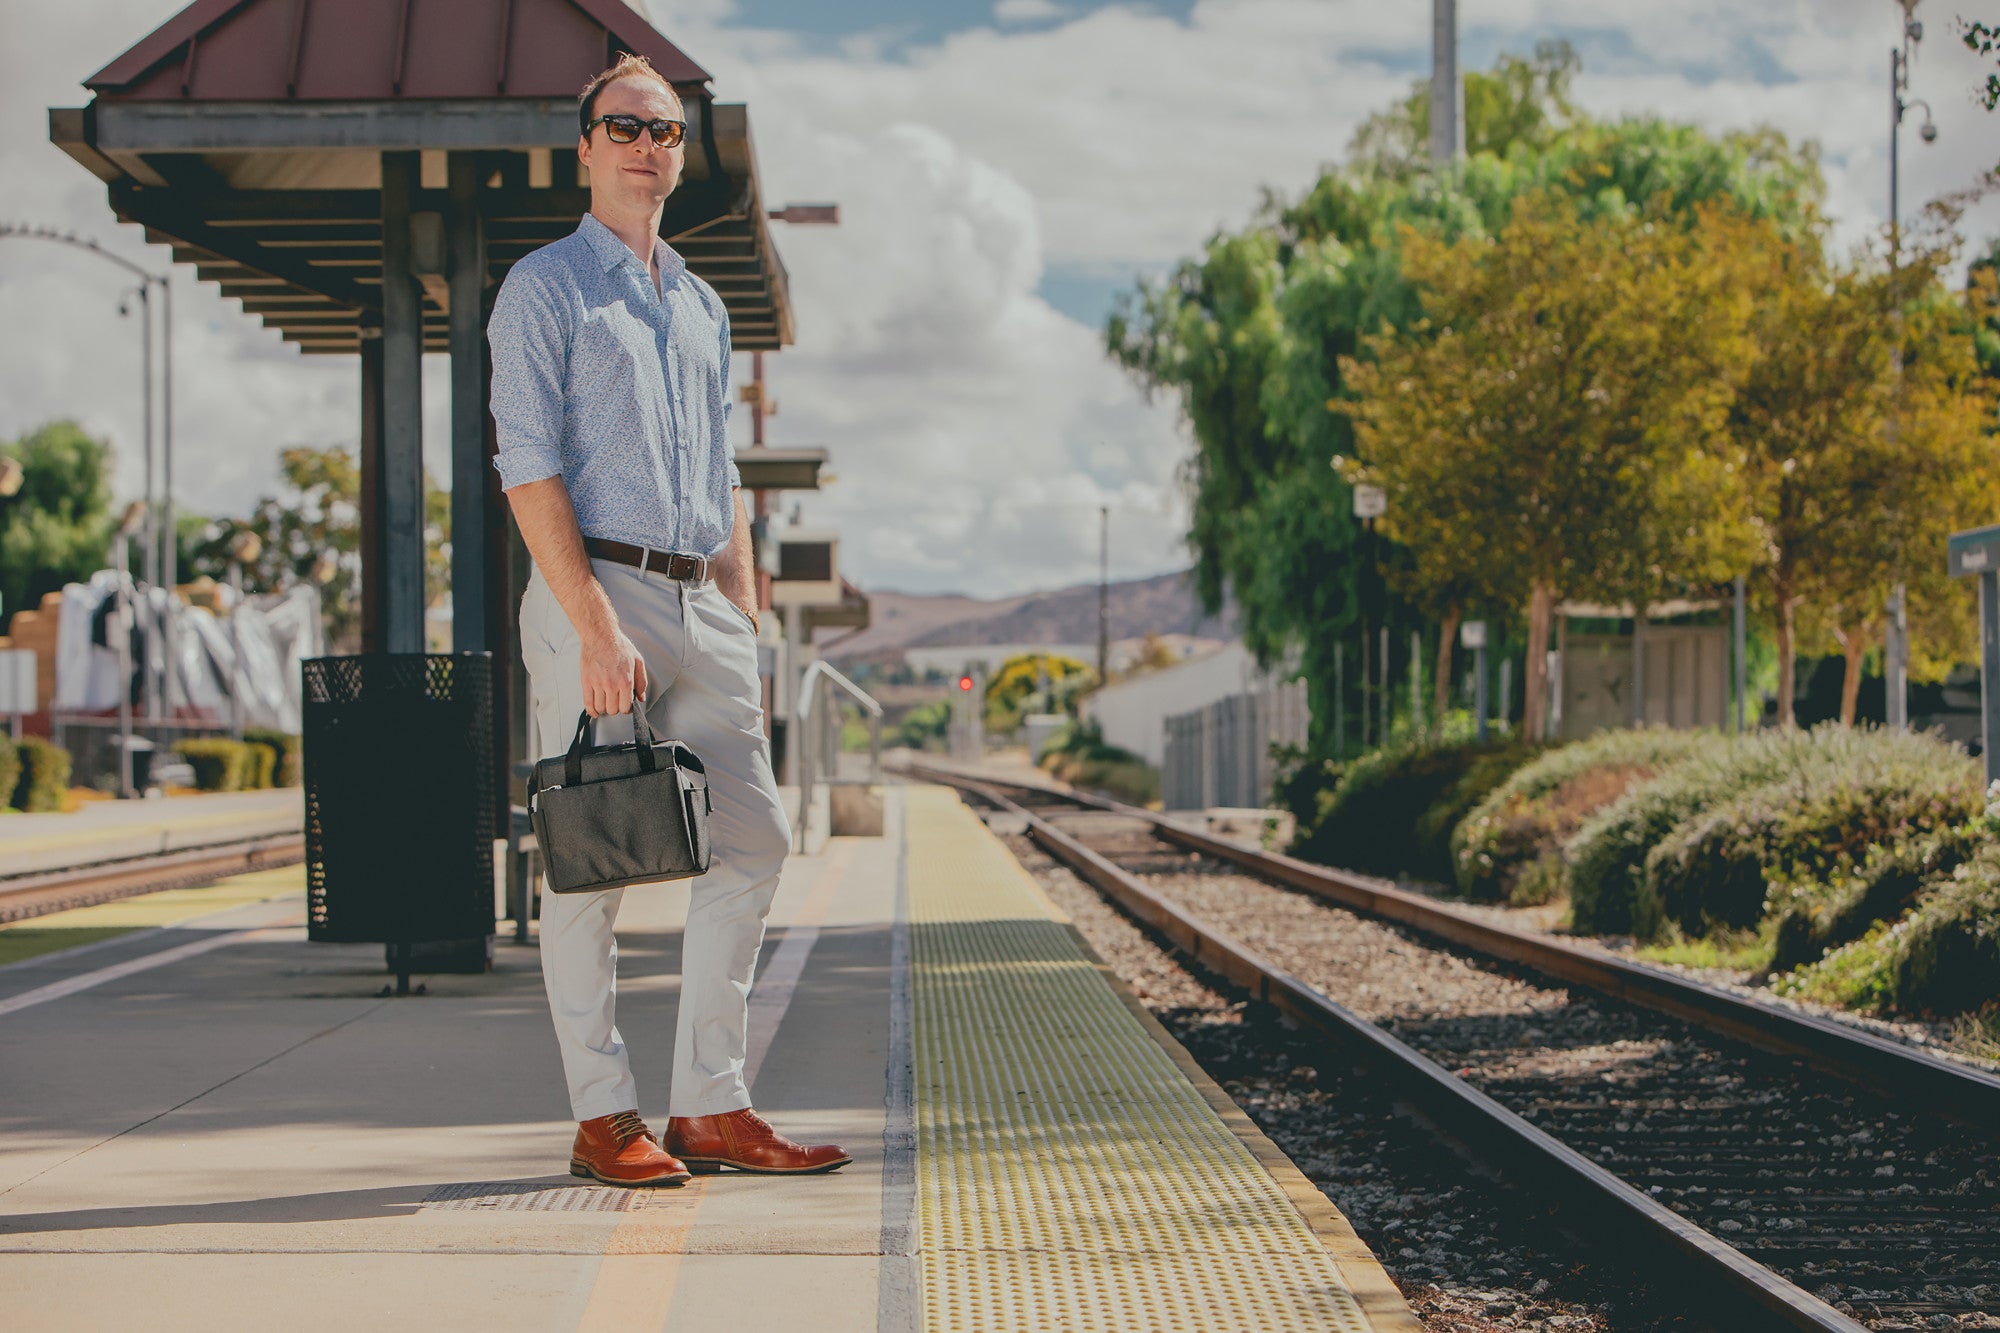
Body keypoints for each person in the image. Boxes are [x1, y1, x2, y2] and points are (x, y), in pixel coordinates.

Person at [488, 53, 848, 1187]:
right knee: (591, 860)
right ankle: (604, 1115)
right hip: (597, 589)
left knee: (752, 841)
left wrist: (740, 604)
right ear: (584, 148)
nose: (648, 147)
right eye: (625, 128)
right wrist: (591, 624)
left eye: (666, 133)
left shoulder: (697, 301)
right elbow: (529, 467)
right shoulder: (544, 287)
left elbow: (725, 470)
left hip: (702, 598)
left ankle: (708, 1103)